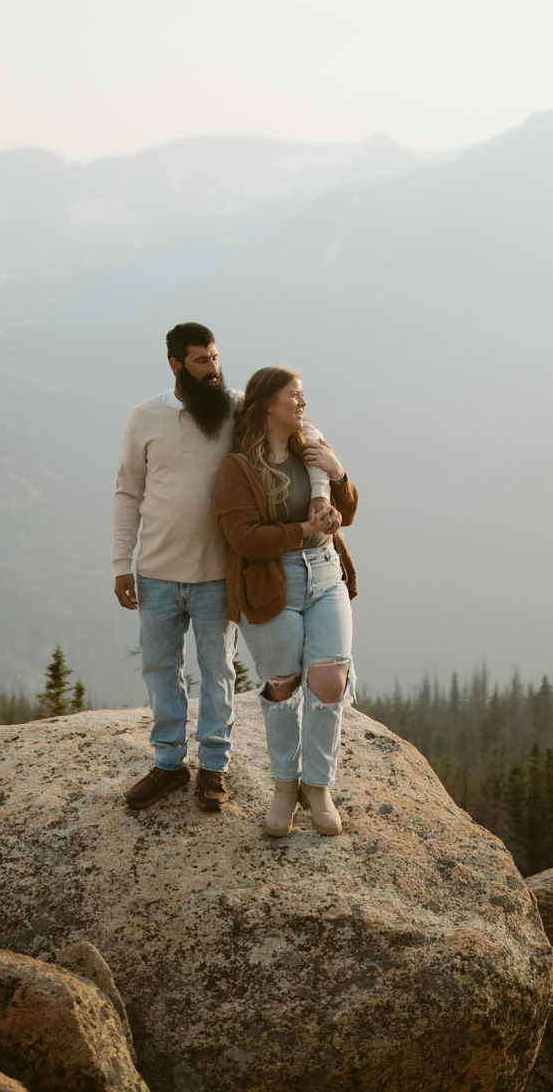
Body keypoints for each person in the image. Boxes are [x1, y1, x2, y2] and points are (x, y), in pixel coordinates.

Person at [113, 325, 332, 812]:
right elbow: (128, 491)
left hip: (218, 573)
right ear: (175, 365)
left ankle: (214, 768)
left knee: (216, 673)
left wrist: (324, 484)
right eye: (200, 362)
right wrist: (120, 563)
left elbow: (301, 423)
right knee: (160, 670)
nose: (213, 369)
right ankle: (168, 765)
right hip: (156, 571)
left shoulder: (234, 407)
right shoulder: (144, 417)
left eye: (215, 358)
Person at [212, 365, 358, 837]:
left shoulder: (311, 450)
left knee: (330, 679)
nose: (302, 403)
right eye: (294, 395)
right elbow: (244, 538)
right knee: (282, 685)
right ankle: (284, 785)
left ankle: (318, 787)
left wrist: (338, 474)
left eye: (303, 395)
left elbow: (348, 513)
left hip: (325, 573)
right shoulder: (238, 468)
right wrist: (303, 529)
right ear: (267, 404)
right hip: (272, 582)